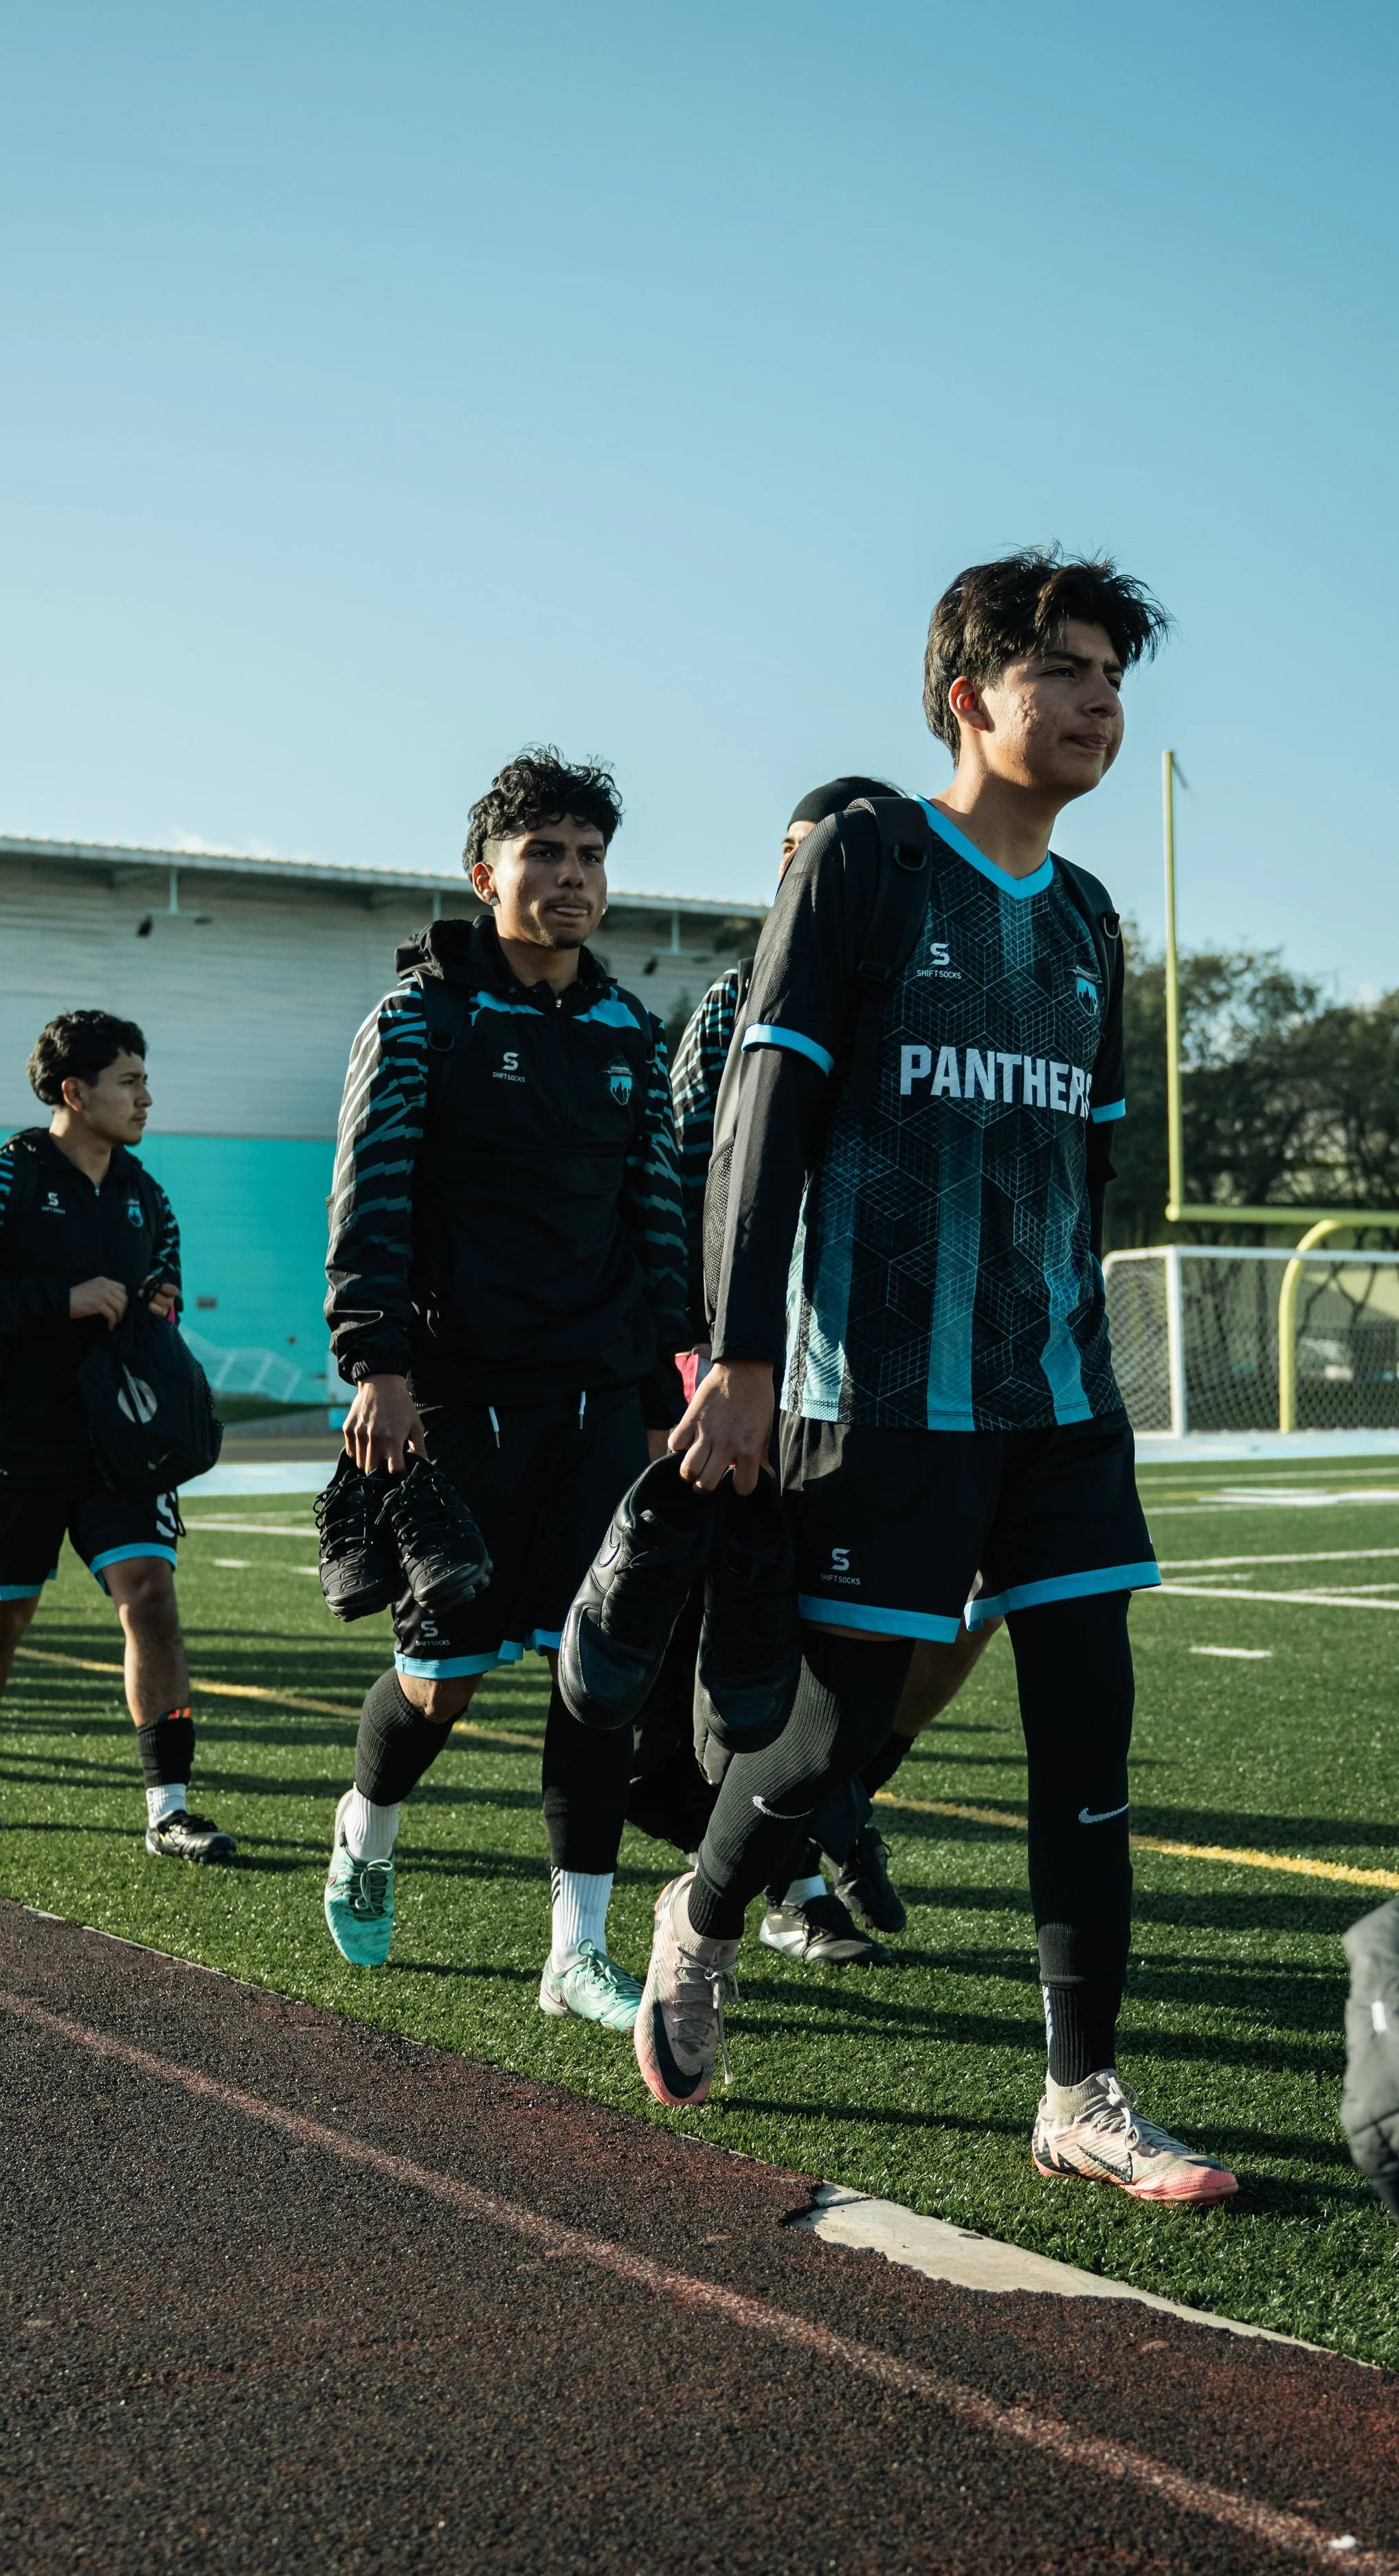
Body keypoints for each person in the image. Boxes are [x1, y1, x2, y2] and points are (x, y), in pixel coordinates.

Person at [641, 548, 1238, 2204]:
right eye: (1063, 670)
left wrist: (1079, 1347)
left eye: (1115, 674)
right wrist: (745, 1357)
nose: (1099, 701)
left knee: (1088, 1729)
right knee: (831, 1734)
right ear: (970, 694)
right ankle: (704, 1906)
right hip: (877, 1389)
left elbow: (1091, 1161)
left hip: (1054, 1397)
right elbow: (761, 1118)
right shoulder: (864, 858)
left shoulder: (1096, 917)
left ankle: (1082, 2090)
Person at [320, 747, 688, 2026]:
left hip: (597, 1400)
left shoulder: (630, 1032)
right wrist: (377, 1365)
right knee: (446, 1681)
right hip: (456, 1396)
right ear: (487, 875)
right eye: (546, 855)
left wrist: (666, 1388)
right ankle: (367, 1823)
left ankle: (573, 1950)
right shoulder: (418, 1020)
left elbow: (656, 1228)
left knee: (597, 1674)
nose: (573, 878)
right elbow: (371, 1201)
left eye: (591, 857)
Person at [670, 777, 1003, 1963]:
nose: (811, 880)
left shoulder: (945, 992)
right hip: (769, 1370)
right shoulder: (733, 1004)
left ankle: (837, 1806)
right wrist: (714, 1355)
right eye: (798, 856)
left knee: (962, 1621)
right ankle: (782, 1881)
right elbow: (700, 1185)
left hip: (922, 1374)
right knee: (787, 1637)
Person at [0, 1010, 232, 1862]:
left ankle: (169, 1808)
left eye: (144, 1080)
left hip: (118, 1449)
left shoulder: (146, 1195)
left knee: (151, 1601)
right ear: (74, 1091)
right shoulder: (0, 1180)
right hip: (14, 1444)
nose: (145, 1099)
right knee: (2, 1617)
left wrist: (155, 1306)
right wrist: (63, 1297)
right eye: (130, 1082)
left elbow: (163, 1292)